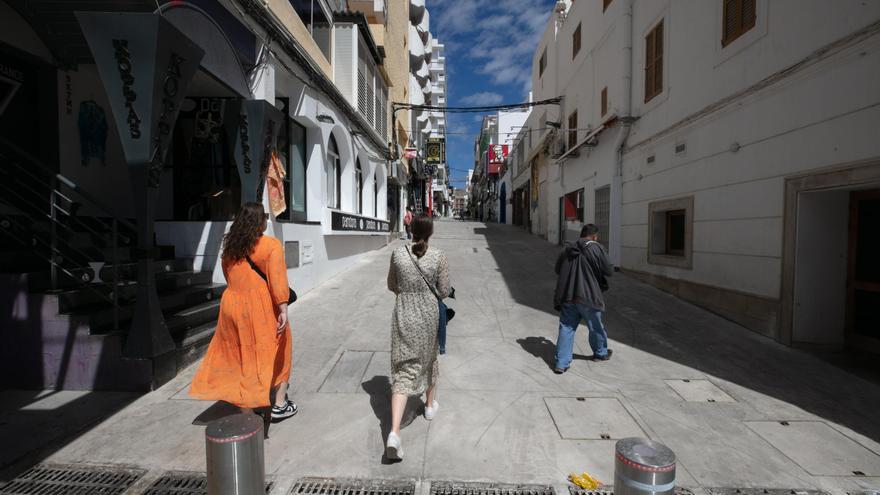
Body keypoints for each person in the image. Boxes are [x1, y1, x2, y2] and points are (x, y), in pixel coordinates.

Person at [189, 202, 297, 421]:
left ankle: (248, 406)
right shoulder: (270, 245)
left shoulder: (230, 248)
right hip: (260, 306)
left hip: (232, 305)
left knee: (241, 353)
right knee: (280, 348)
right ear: (259, 221)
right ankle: (279, 404)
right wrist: (283, 308)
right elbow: (277, 281)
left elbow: (228, 277)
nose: (267, 220)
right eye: (265, 217)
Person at [385, 214, 450, 461]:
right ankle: (429, 407)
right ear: (431, 232)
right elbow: (443, 290)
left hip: (404, 312)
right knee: (430, 358)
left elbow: (392, 284)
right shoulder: (438, 256)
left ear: (410, 230)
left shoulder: (398, 254)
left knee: (404, 369)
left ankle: (394, 433)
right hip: (428, 315)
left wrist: (407, 293)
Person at [552, 224, 614, 374]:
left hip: (568, 295)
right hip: (589, 296)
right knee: (596, 326)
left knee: (566, 328)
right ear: (594, 236)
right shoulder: (596, 248)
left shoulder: (567, 248)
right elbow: (609, 271)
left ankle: (561, 363)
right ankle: (600, 353)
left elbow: (557, 269)